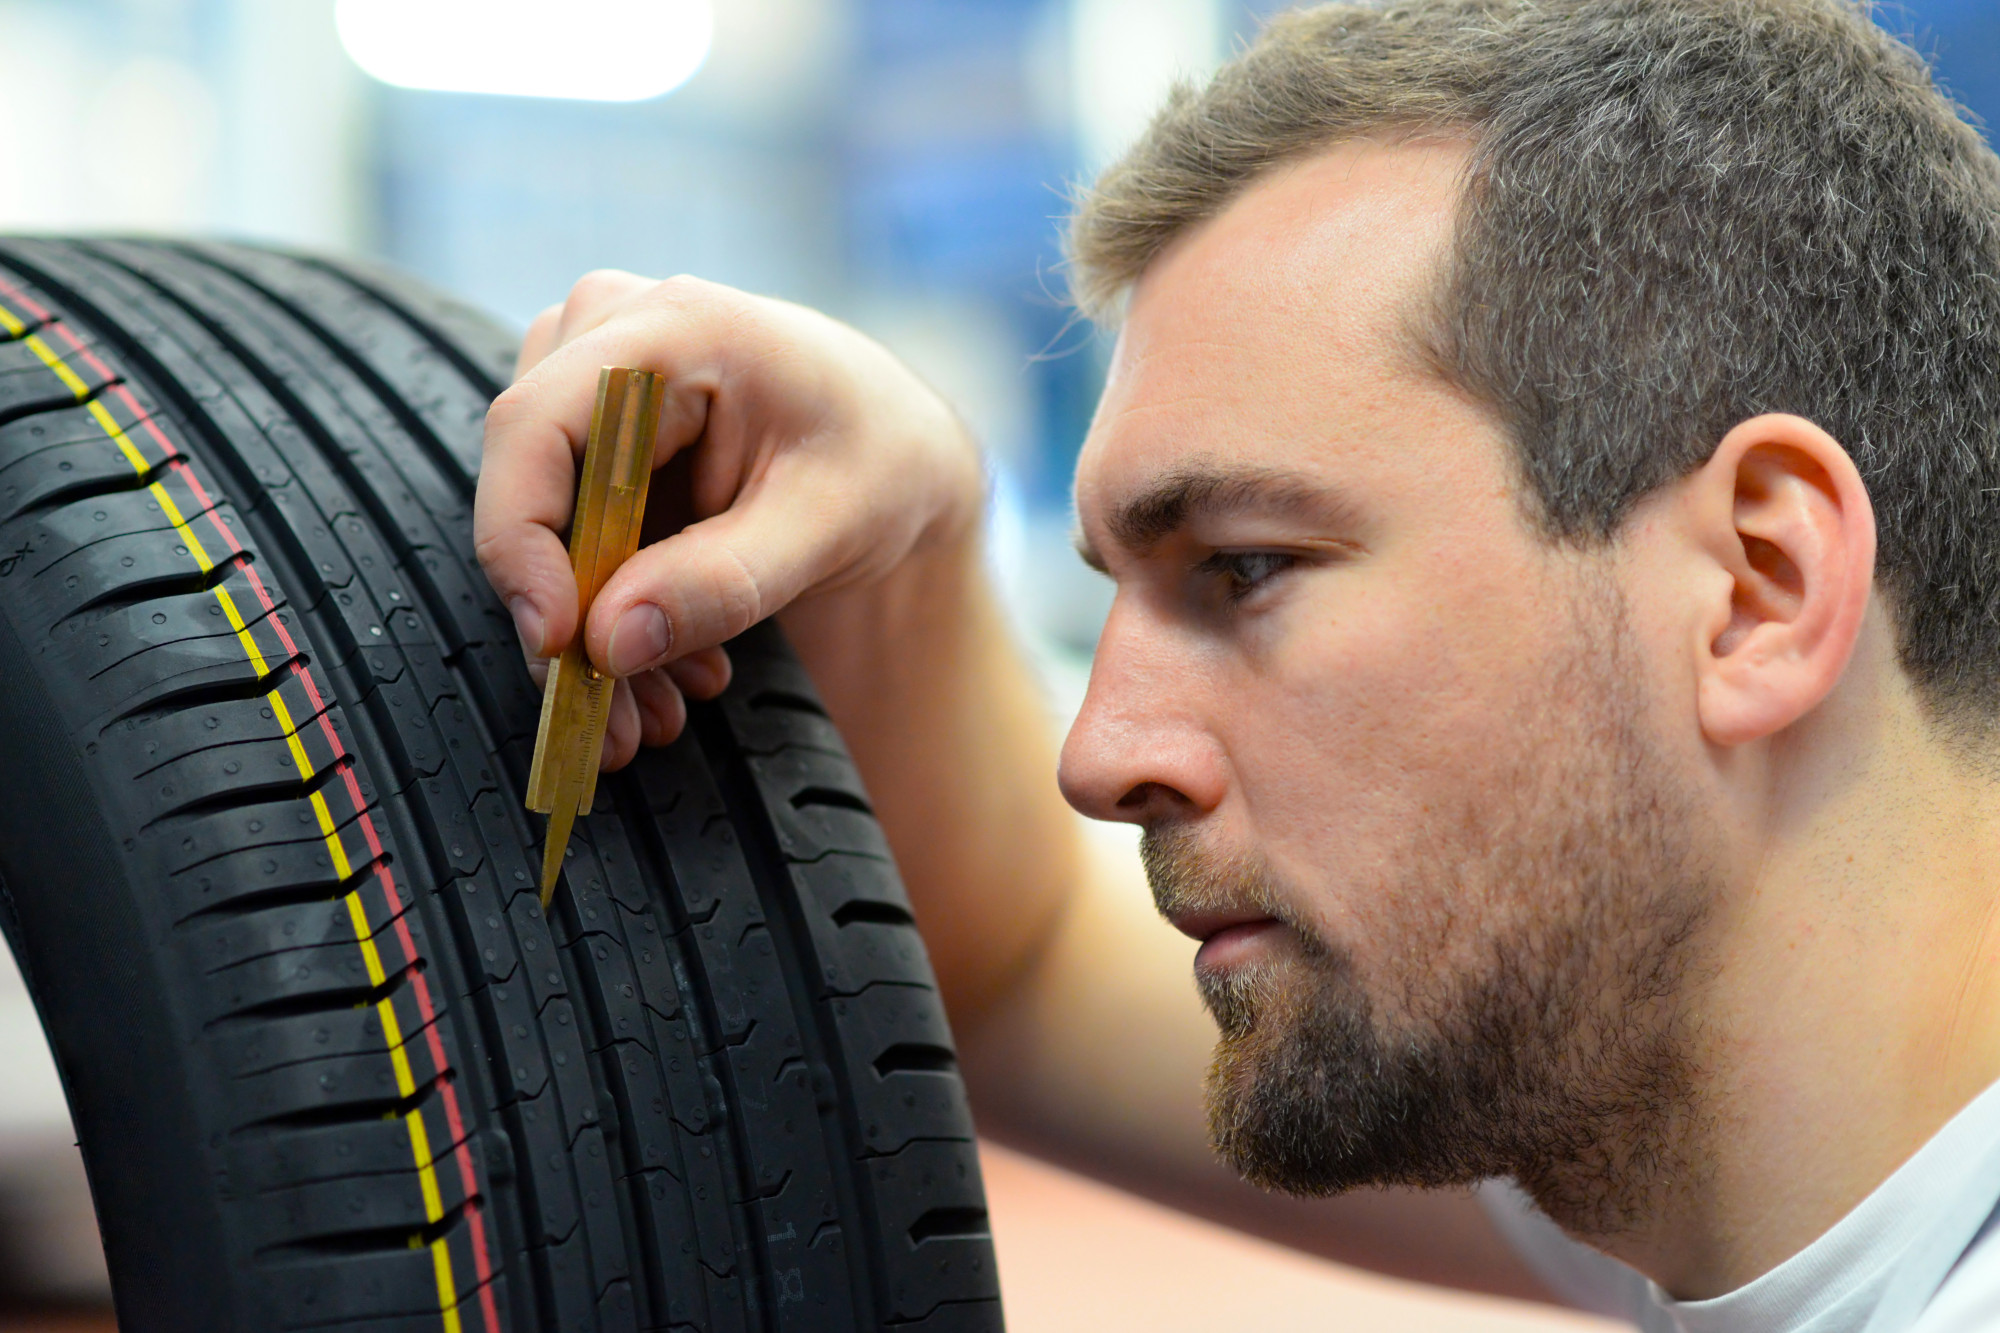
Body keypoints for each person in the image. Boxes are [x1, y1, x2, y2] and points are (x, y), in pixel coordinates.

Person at [470, 1, 2000, 1328]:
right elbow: (1012, 965)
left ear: (1755, 586)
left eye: (1246, 566)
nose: (1099, 755)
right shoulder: (1736, 1127)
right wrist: (925, 526)